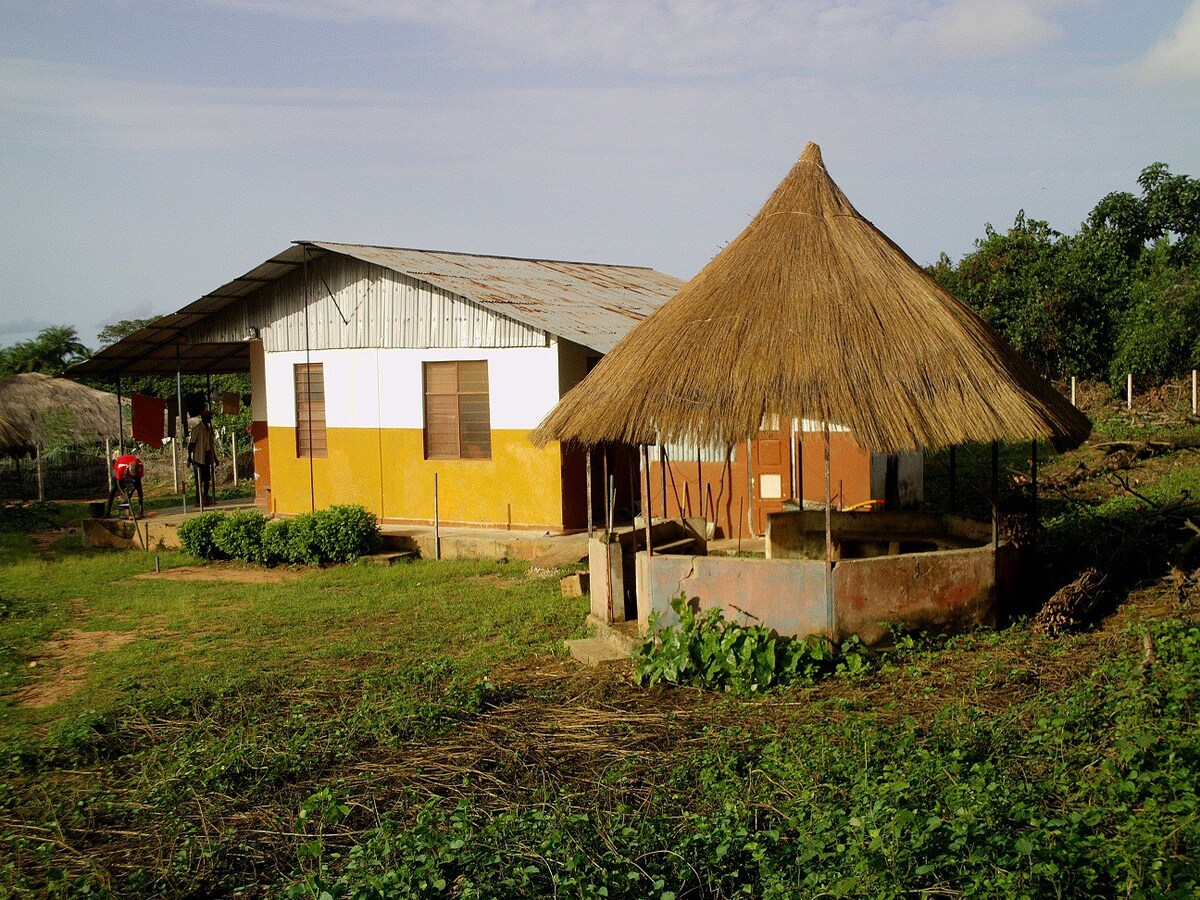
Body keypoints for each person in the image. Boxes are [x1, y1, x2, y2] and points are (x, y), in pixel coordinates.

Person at [188, 409, 220, 507]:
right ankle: (198, 499)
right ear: (204, 418)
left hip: (206, 457)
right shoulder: (197, 429)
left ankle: (205, 497)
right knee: (199, 480)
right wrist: (189, 458)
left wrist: (215, 458)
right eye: (209, 417)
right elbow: (191, 444)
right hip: (198, 458)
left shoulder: (209, 430)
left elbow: (211, 445)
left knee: (206, 480)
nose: (211, 418)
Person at [105, 452, 144, 518]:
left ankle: (141, 511)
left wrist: (131, 492)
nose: (132, 476)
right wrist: (124, 494)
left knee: (139, 488)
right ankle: (107, 512)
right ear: (129, 469)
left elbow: (137, 483)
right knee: (113, 489)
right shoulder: (121, 468)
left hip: (131, 467)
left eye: (134, 475)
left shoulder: (140, 466)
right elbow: (118, 483)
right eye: (132, 474)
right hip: (119, 465)